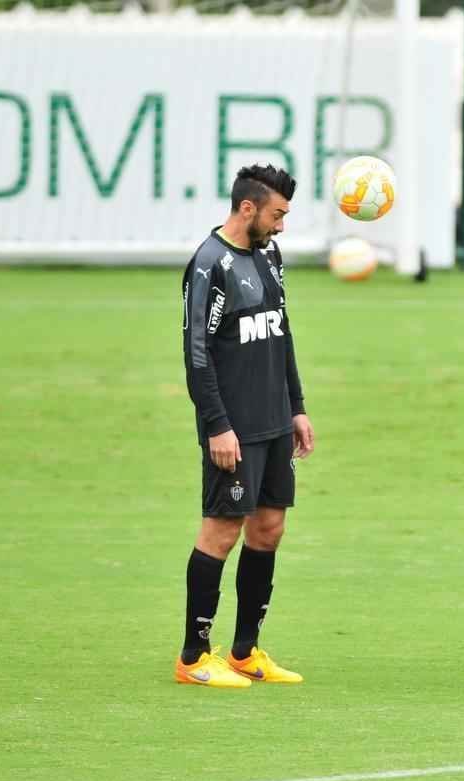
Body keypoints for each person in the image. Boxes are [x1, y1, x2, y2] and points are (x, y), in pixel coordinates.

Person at [176, 164, 315, 688]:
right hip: (233, 427)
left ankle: (243, 651)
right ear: (248, 207)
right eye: (277, 214)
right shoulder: (209, 265)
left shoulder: (269, 255)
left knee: (269, 528)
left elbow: (281, 332)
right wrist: (216, 425)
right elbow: (197, 354)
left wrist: (296, 407)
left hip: (274, 421)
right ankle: (193, 657)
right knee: (222, 530)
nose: (281, 225)